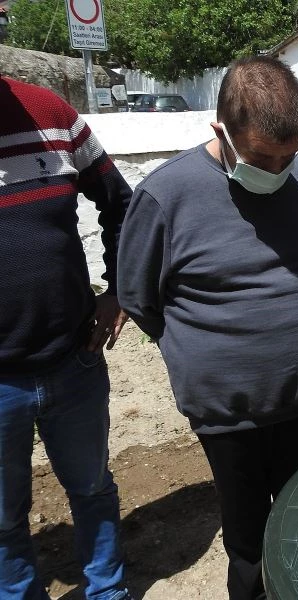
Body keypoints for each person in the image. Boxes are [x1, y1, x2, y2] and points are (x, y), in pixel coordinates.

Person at [117, 56, 298, 600]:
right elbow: (139, 298)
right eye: (262, 158)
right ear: (221, 131)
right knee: (249, 540)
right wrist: (204, 356)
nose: (277, 169)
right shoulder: (167, 195)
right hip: (226, 414)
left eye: (289, 156)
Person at [0, 76, 133, 600]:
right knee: (4, 515)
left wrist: (117, 289)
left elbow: (120, 203)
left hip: (71, 360)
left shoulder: (48, 113)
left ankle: (107, 590)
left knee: (92, 487)